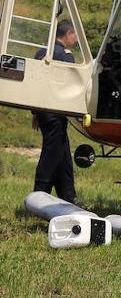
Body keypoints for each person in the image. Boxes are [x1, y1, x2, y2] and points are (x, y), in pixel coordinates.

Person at [32, 20, 79, 203]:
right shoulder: (66, 57)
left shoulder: (41, 53)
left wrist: (35, 112)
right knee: (52, 153)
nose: (75, 39)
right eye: (74, 35)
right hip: (56, 113)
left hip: (42, 111)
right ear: (67, 35)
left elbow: (35, 84)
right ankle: (39, 192)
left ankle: (68, 195)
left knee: (63, 152)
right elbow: (69, 87)